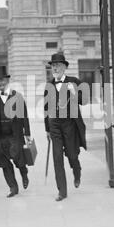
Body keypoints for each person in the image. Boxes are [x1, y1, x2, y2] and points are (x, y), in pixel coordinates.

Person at [0, 66, 32, 198]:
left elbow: (24, 116)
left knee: (18, 158)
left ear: (7, 80)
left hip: (15, 134)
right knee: (4, 162)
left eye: (2, 80)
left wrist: (27, 133)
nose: (0, 83)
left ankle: (23, 172)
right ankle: (13, 187)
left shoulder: (17, 96)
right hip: (0, 136)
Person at [44, 53, 88, 202]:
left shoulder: (74, 81)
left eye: (58, 65)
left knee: (72, 155)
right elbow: (46, 108)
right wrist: (47, 129)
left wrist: (73, 91)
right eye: (53, 66)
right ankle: (62, 191)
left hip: (70, 124)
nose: (55, 68)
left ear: (64, 67)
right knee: (57, 157)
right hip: (55, 124)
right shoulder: (49, 85)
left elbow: (84, 101)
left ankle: (77, 170)